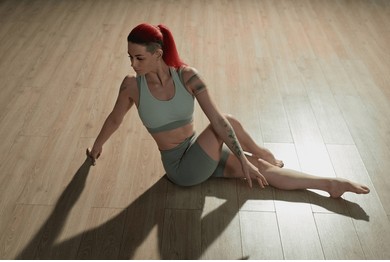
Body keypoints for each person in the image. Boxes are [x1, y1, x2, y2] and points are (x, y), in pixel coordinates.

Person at [87, 23, 370, 198]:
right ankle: (259, 151)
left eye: (138, 58)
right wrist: (97, 146)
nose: (133, 65)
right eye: (130, 58)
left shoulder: (187, 76)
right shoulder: (132, 87)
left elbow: (216, 120)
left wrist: (245, 161)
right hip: (181, 167)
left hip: (199, 149)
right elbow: (115, 119)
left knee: (263, 171)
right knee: (232, 127)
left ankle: (329, 184)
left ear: (157, 54)